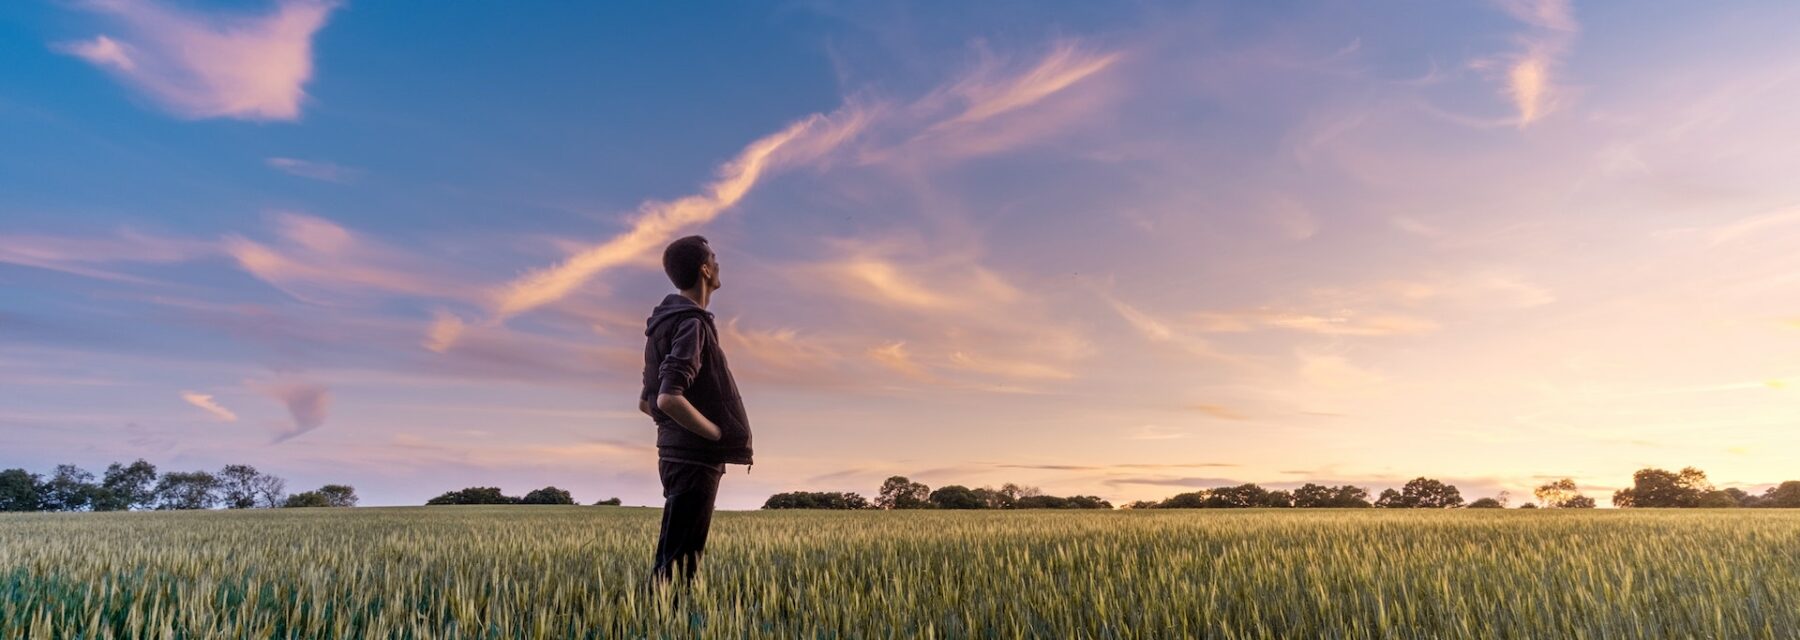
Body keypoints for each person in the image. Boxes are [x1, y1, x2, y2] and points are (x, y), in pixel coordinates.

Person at [639, 235, 754, 591]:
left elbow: (646, 401)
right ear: (705, 269)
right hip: (695, 457)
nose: (719, 265)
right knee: (681, 568)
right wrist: (715, 434)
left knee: (671, 558)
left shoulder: (662, 323)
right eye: (715, 259)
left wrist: (673, 434)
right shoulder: (692, 323)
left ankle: (653, 621)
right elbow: (667, 399)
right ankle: (665, 624)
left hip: (673, 455)